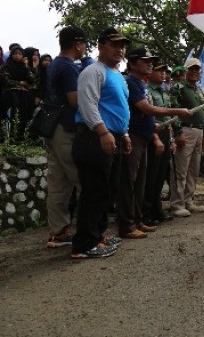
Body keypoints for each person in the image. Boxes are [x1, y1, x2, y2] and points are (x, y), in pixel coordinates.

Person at [70, 27, 132, 259]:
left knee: (108, 190)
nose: (120, 49)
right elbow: (87, 105)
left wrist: (124, 134)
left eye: (122, 46)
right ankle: (84, 244)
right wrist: (102, 132)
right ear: (101, 45)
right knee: (94, 190)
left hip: (112, 136)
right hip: (94, 137)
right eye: (114, 44)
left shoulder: (117, 75)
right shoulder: (93, 71)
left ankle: (97, 235)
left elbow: (119, 107)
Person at [118, 47, 190, 238]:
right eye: (145, 60)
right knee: (130, 182)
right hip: (133, 137)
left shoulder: (141, 83)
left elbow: (147, 114)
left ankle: (137, 221)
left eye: (151, 61)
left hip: (144, 136)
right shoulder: (130, 82)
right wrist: (177, 111)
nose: (150, 64)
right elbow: (147, 109)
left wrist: (156, 129)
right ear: (133, 63)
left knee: (140, 183)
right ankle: (126, 225)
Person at [44, 26, 87, 249]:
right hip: (66, 129)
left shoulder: (54, 64)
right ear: (78, 44)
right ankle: (89, 232)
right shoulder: (69, 67)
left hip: (52, 128)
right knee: (83, 179)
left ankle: (58, 232)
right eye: (84, 44)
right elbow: (75, 100)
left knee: (58, 183)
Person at [170, 57, 204, 217]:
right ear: (185, 70)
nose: (194, 72)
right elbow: (173, 109)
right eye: (191, 69)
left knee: (193, 169)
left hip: (199, 131)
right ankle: (177, 204)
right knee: (181, 169)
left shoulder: (198, 90)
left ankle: (189, 201)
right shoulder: (178, 87)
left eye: (197, 69)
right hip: (185, 130)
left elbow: (203, 113)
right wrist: (178, 132)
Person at [143, 61, 176, 226]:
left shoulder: (164, 92)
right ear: (150, 72)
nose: (163, 74)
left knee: (161, 175)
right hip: (153, 133)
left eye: (164, 71)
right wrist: (155, 138)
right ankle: (147, 213)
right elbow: (149, 116)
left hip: (165, 134)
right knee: (151, 175)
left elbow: (168, 118)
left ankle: (157, 211)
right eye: (159, 70)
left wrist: (171, 139)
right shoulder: (147, 91)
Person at [0, 44, 36, 141]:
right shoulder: (6, 67)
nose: (17, 56)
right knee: (14, 112)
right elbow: (6, 81)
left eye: (20, 54)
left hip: (23, 95)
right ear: (11, 55)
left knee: (24, 114)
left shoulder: (24, 67)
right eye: (15, 53)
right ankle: (10, 136)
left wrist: (27, 66)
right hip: (10, 94)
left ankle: (20, 137)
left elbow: (32, 80)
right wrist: (21, 83)